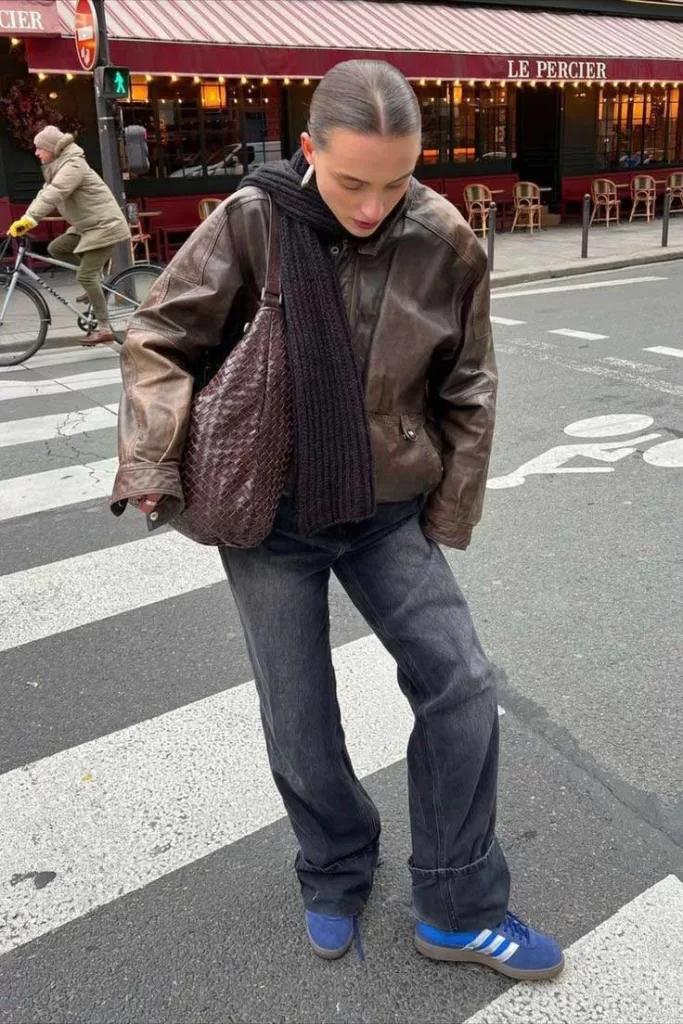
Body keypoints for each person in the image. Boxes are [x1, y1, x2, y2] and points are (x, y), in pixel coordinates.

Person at [111, 61, 564, 980]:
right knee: (299, 708)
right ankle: (333, 864)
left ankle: (456, 901)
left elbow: (468, 384)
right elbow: (160, 335)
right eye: (352, 180)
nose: (371, 205)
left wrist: (449, 506)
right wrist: (154, 458)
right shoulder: (253, 218)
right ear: (308, 149)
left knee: (462, 686)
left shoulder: (443, 239)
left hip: (385, 503)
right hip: (269, 510)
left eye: (394, 182)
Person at [7, 125, 130, 345]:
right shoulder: (58, 166)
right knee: (57, 248)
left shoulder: (73, 165)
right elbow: (44, 194)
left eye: (39, 148)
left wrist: (30, 219)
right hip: (88, 226)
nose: (36, 153)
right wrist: (26, 218)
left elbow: (55, 193)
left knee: (85, 275)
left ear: (52, 148)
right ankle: (96, 283)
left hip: (104, 226)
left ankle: (104, 328)